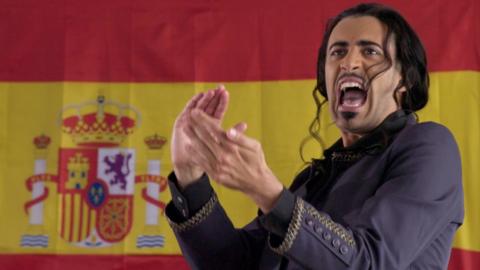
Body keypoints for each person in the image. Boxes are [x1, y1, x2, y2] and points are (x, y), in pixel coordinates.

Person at [165, 3, 464, 269]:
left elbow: (371, 260)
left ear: (404, 81)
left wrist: (269, 194)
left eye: (370, 51)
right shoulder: (314, 179)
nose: (348, 62)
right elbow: (235, 263)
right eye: (338, 52)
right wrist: (191, 181)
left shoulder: (429, 146)